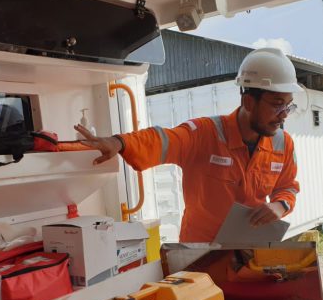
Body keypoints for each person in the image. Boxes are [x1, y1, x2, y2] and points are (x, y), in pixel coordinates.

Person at [75, 47, 301, 242]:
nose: (284, 115)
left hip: (250, 250)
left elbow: (288, 187)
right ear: (248, 102)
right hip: (201, 253)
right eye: (277, 105)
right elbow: (163, 139)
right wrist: (120, 142)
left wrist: (280, 205)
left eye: (288, 106)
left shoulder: (283, 144)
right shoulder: (205, 134)